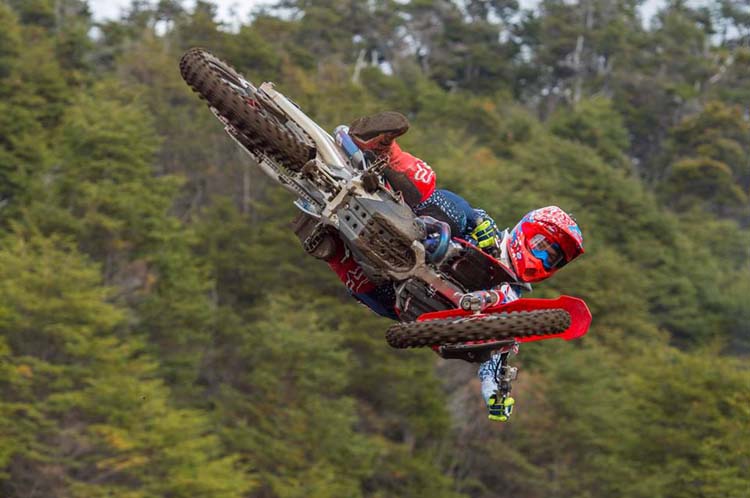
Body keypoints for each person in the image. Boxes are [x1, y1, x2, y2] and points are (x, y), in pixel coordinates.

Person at [292, 112, 584, 421]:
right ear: (526, 229)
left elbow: (498, 353)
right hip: (417, 227)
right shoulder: (491, 236)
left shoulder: (514, 299)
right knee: (453, 204)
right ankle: (384, 152)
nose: (542, 259)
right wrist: (479, 225)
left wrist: (496, 393)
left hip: (409, 296)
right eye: (542, 247)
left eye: (552, 258)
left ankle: (329, 246)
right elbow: (464, 212)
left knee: (381, 303)